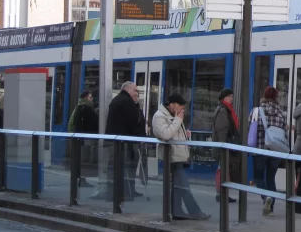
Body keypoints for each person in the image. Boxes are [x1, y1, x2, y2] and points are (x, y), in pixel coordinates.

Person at [153, 93, 209, 221]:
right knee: (183, 187)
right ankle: (195, 212)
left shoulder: (174, 115)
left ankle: (177, 212)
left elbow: (174, 133)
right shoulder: (160, 116)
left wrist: (185, 134)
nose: (182, 110)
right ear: (171, 104)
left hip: (178, 156)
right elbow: (165, 134)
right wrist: (178, 120)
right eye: (180, 106)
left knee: (178, 187)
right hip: (171, 157)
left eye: (183, 107)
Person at [102, 81, 143, 202]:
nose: (136, 92)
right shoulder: (127, 102)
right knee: (123, 168)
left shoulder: (117, 100)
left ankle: (113, 193)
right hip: (123, 142)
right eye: (134, 90)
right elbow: (133, 122)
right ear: (127, 89)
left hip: (113, 140)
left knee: (114, 168)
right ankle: (122, 194)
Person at [251, 86, 287, 215]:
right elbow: (284, 131)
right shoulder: (281, 113)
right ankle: (270, 209)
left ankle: (266, 198)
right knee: (271, 178)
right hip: (275, 150)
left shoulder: (256, 111)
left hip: (260, 149)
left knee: (258, 177)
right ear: (276, 97)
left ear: (264, 96)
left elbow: (251, 128)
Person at [212, 88, 240, 204]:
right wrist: (223, 146)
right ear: (223, 98)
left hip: (225, 145)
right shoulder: (223, 110)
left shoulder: (225, 109)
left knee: (223, 169)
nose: (231, 99)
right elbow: (222, 130)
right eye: (229, 97)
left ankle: (222, 193)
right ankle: (221, 193)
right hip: (224, 146)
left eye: (232, 97)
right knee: (223, 169)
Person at [68, 90, 99, 187]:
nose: (92, 99)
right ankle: (81, 179)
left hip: (81, 138)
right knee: (83, 160)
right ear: (85, 98)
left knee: (80, 160)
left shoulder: (80, 107)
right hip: (84, 139)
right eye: (90, 97)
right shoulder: (85, 108)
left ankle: (80, 179)